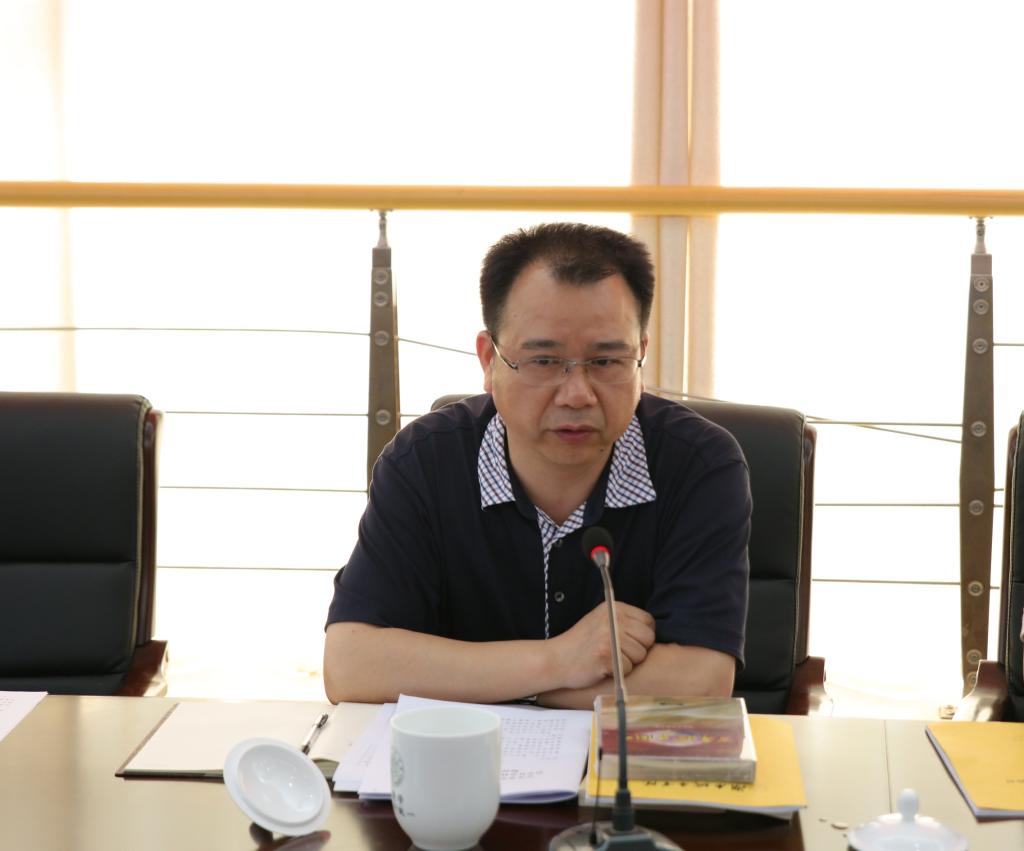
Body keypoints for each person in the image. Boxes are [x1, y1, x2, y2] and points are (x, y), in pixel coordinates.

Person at [323, 222, 751, 709]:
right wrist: (559, 660)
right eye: (544, 361)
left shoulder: (700, 466)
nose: (577, 395)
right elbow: (351, 666)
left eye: (607, 362)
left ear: (641, 356)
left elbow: (700, 682)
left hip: (625, 757)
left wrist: (483, 680)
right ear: (489, 360)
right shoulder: (423, 462)